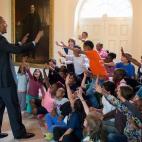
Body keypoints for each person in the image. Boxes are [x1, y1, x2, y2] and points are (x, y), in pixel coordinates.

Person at [0, 16, 43, 139]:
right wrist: (35, 41)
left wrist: (20, 42)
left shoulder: (1, 41)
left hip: (1, 82)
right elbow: (15, 50)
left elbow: (8, 48)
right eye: (4, 23)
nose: (6, 25)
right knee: (14, 107)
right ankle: (19, 133)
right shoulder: (1, 39)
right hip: (5, 82)